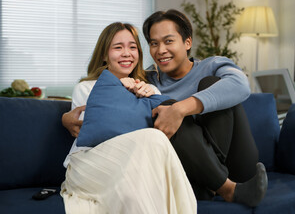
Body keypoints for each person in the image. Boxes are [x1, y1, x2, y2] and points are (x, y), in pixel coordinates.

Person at [63, 10, 268, 207]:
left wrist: (181, 109)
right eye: (154, 43)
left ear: (187, 42)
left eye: (168, 41)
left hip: (237, 163)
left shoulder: (211, 65)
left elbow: (240, 85)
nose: (161, 50)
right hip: (194, 169)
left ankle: (217, 183)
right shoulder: (147, 82)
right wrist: (65, 117)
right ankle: (219, 185)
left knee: (209, 86)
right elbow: (109, 112)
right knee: (165, 107)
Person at [60, 22, 197, 214]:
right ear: (104, 54)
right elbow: (96, 130)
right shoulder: (87, 88)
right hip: (90, 162)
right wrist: (120, 90)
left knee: (153, 143)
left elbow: (163, 140)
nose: (127, 53)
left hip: (139, 163)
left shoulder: (150, 91)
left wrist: (150, 98)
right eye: (118, 47)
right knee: (152, 138)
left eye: (133, 47)